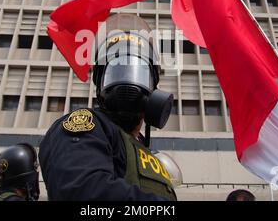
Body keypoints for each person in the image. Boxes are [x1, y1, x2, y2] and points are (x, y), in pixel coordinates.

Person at [39, 14, 177, 201]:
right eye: (116, 71)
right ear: (99, 85)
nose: (128, 83)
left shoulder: (151, 155)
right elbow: (83, 191)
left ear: (154, 91)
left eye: (138, 72)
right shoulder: (88, 126)